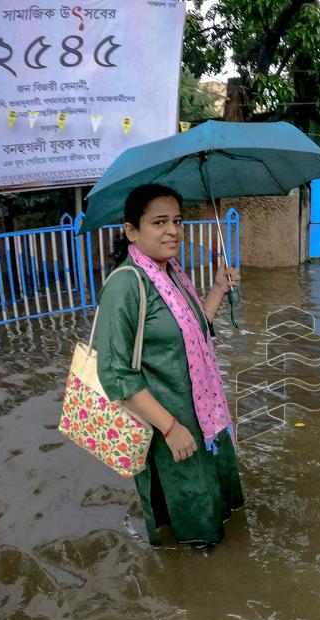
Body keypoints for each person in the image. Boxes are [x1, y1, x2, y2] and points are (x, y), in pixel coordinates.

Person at [96, 184, 244, 547]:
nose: (173, 231)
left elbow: (195, 330)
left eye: (177, 221)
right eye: (159, 222)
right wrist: (170, 427)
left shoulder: (172, 274)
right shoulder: (126, 286)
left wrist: (218, 289)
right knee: (191, 527)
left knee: (217, 511)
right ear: (132, 231)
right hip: (169, 429)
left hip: (202, 420)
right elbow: (115, 374)